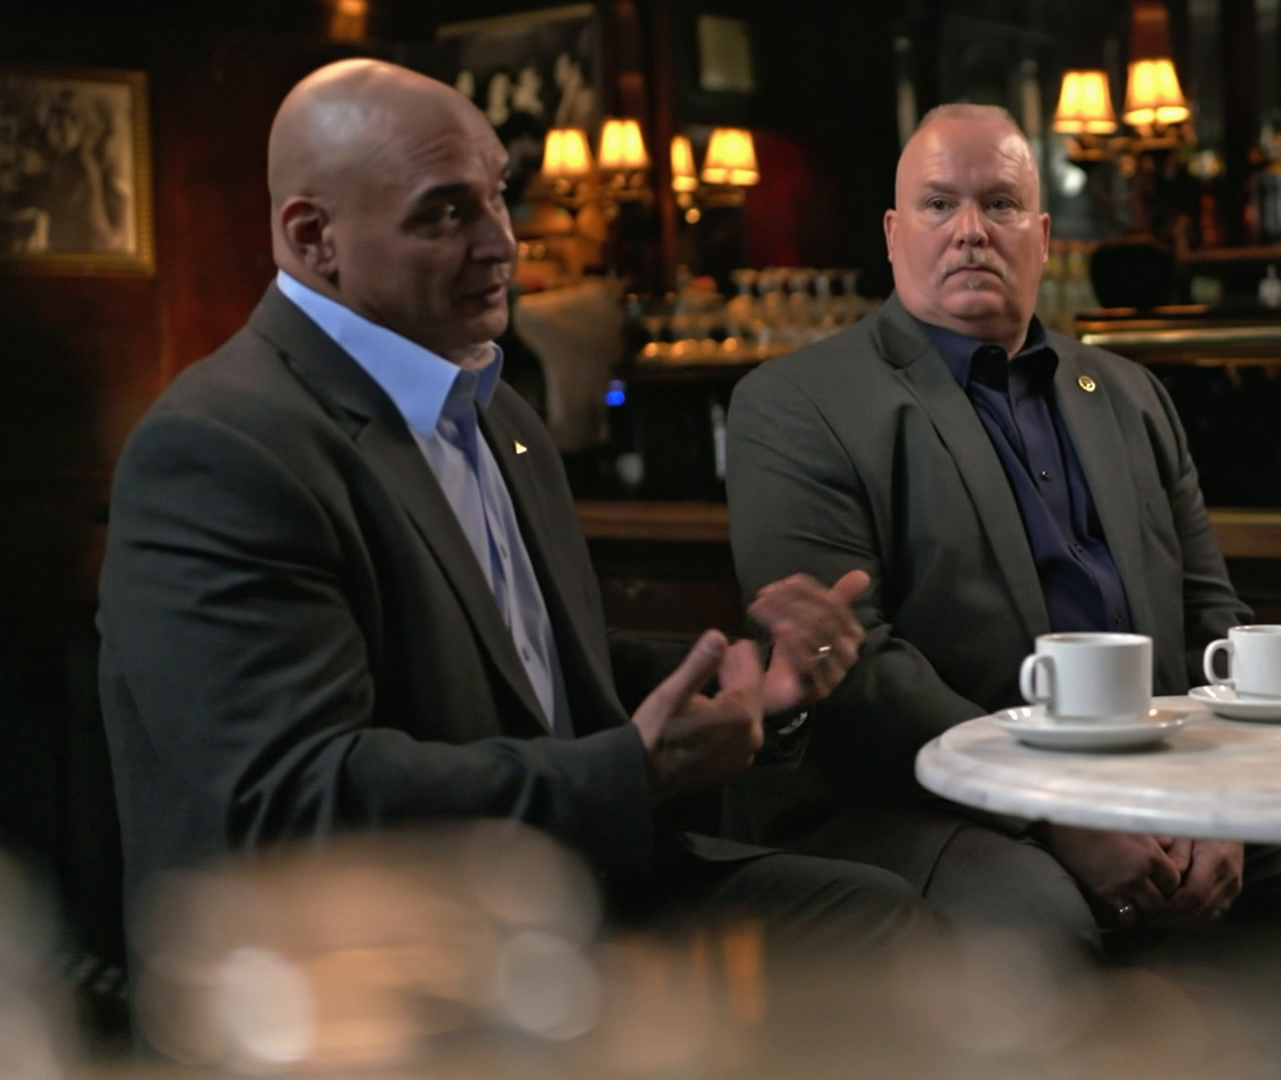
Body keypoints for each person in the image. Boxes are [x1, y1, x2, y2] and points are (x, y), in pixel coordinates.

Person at [96, 59, 925, 950]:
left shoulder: (497, 410)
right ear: (313, 236)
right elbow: (295, 799)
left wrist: (748, 678)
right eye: (446, 213)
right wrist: (630, 770)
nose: (502, 244)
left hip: (555, 894)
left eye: (497, 196)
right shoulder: (222, 449)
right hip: (377, 957)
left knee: (883, 917)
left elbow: (534, 674)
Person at [725, 104, 1281, 950]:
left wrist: (1229, 799)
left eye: (1001, 204)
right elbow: (855, 670)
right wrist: (1052, 810)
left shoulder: (1130, 393)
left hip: (1160, 775)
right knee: (1042, 922)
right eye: (939, 204)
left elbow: (1213, 619)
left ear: (1044, 236)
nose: (971, 231)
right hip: (928, 802)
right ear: (894, 234)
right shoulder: (797, 403)